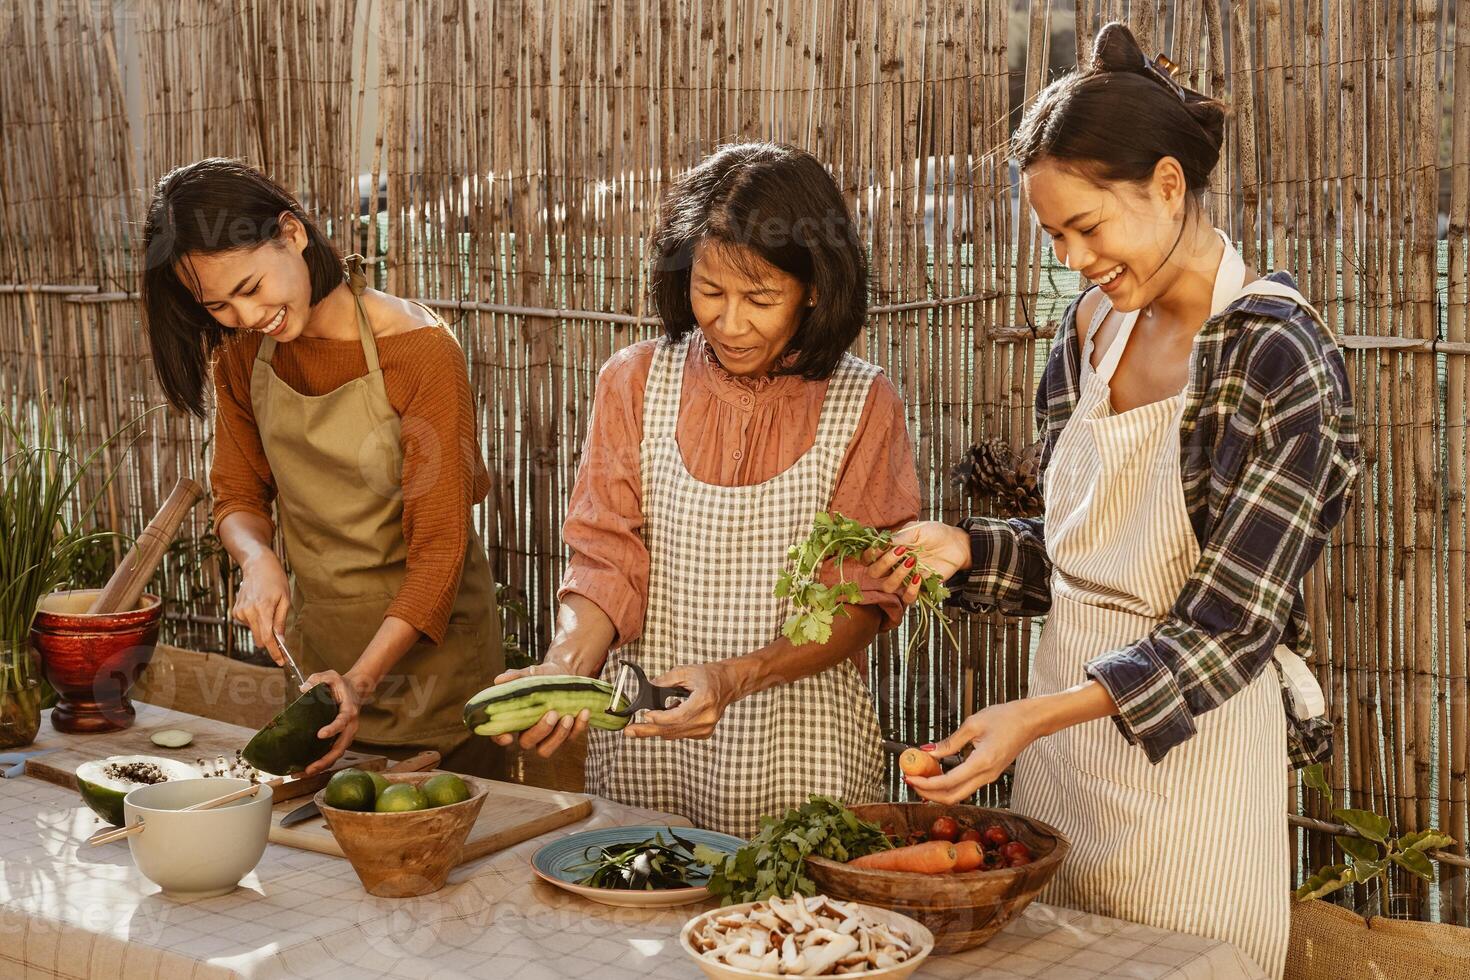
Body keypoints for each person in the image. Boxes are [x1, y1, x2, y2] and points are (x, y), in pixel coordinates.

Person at [862, 24, 1357, 978]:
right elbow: (1074, 554)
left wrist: (1037, 716)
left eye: (1088, 226)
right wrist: (964, 551)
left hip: (1190, 768)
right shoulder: (1088, 327)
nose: (1075, 257)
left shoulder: (1276, 354)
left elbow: (1229, 626)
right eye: (1054, 235)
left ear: (1170, 185)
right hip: (1061, 756)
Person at [488, 142, 921, 837]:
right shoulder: (634, 383)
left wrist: (736, 676)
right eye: (710, 291)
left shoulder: (863, 402)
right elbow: (605, 560)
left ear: (813, 286)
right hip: (647, 744)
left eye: (761, 297)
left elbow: (864, 601)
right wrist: (563, 670)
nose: (730, 321)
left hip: (800, 748)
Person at [140, 158, 504, 777]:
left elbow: (439, 554)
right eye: (220, 306)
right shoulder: (241, 355)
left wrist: (357, 685)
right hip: (320, 673)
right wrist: (258, 561)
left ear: (293, 234)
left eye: (252, 288)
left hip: (434, 677)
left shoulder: (419, 353)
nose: (248, 317)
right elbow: (235, 497)